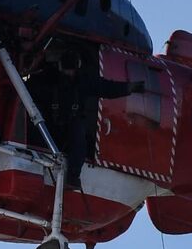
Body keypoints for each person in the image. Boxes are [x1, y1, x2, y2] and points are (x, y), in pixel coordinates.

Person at [39, 48, 143, 191]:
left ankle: (73, 177)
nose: (69, 74)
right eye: (67, 70)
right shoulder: (48, 79)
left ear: (77, 67)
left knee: (79, 137)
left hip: (71, 124)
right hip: (49, 124)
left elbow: (107, 88)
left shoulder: (84, 81)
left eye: (72, 70)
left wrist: (129, 88)